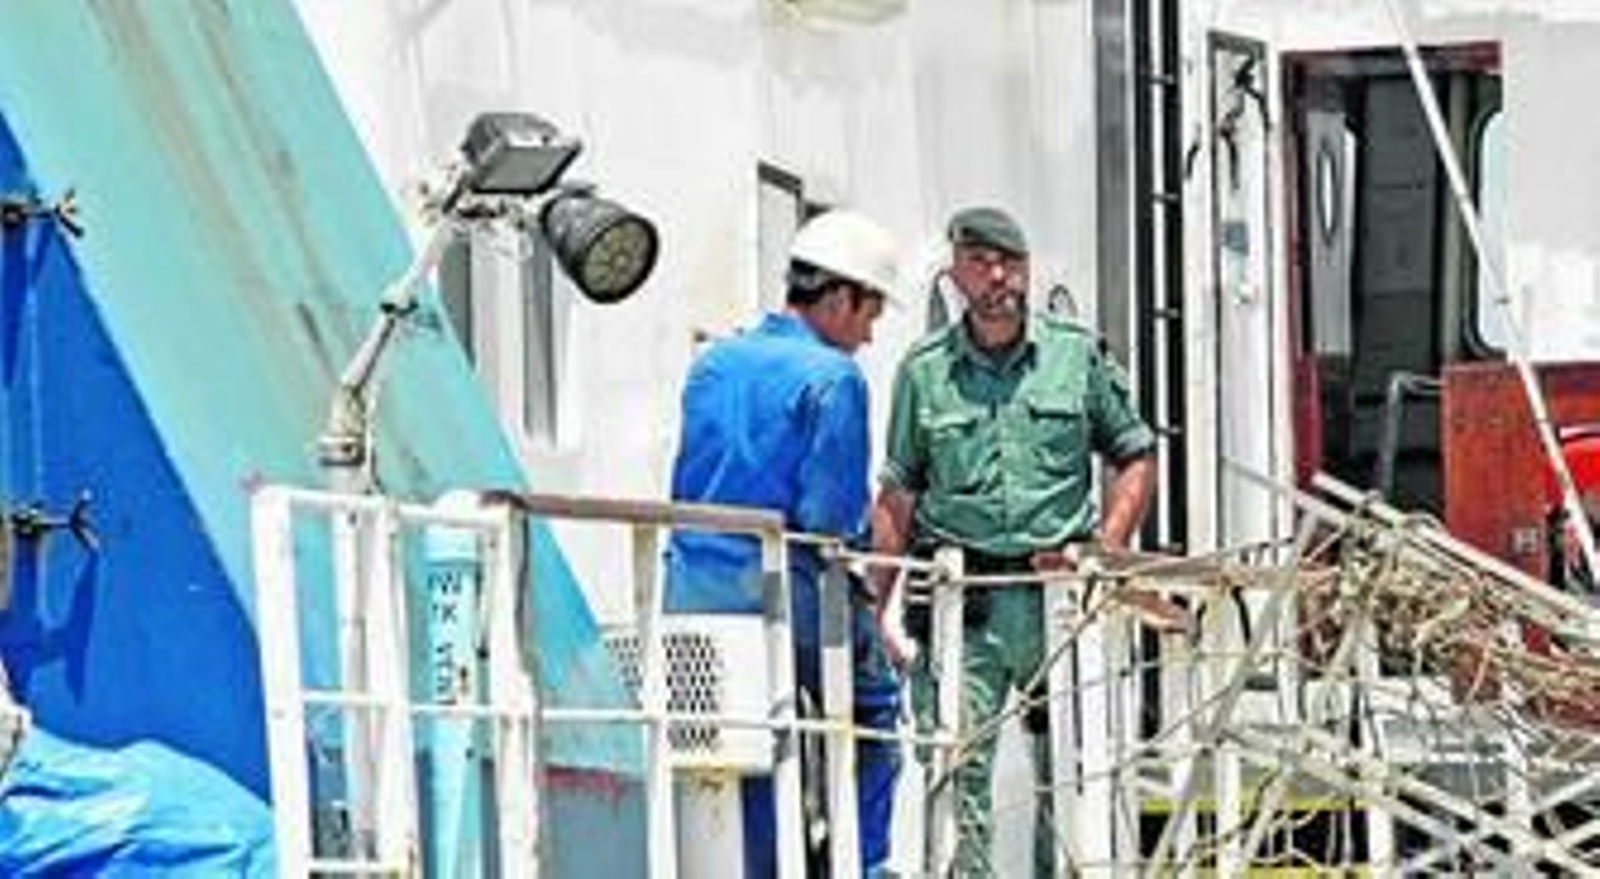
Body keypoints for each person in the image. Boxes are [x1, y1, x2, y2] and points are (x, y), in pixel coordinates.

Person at [871, 206, 1157, 877]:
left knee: (1067, 761)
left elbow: (1135, 454)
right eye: (981, 262)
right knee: (957, 759)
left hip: (1056, 595)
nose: (999, 276)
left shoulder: (1074, 354)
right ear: (957, 273)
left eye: (1010, 261)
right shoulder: (924, 373)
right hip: (963, 601)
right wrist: (872, 605)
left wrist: (1104, 549)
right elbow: (899, 493)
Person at [665, 209, 905, 877]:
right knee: (876, 714)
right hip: (783, 591)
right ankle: (863, 862)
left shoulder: (713, 362)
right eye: (870, 311)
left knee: (746, 743)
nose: (869, 332)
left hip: (690, 586)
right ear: (837, 296)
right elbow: (831, 514)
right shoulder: (833, 377)